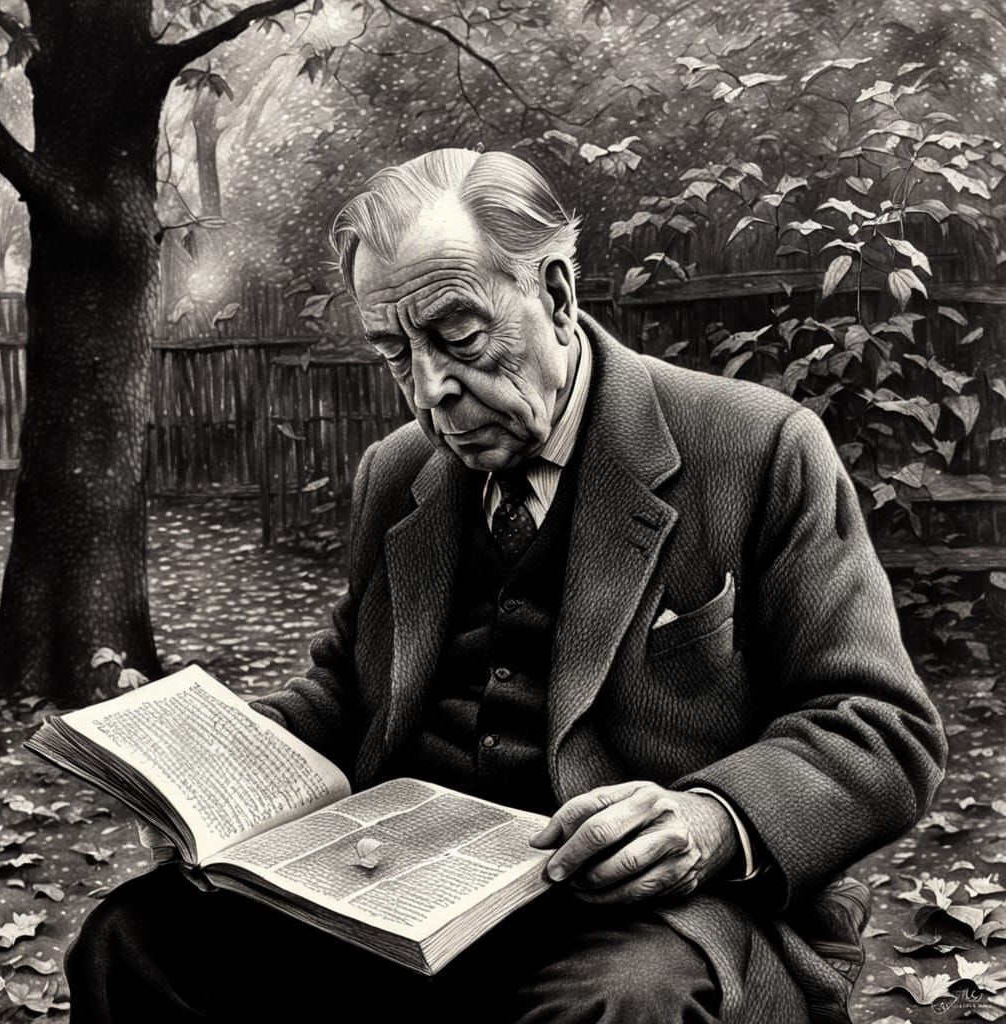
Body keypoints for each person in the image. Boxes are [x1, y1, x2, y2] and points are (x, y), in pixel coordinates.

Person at [66, 149, 947, 1024]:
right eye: (395, 353)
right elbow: (343, 690)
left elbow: (879, 725)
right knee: (133, 938)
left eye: (459, 338)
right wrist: (217, 772)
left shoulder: (758, 447)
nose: (430, 391)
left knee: (616, 1006)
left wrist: (711, 819)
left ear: (557, 296)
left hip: (646, 915)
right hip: (397, 897)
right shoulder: (396, 473)